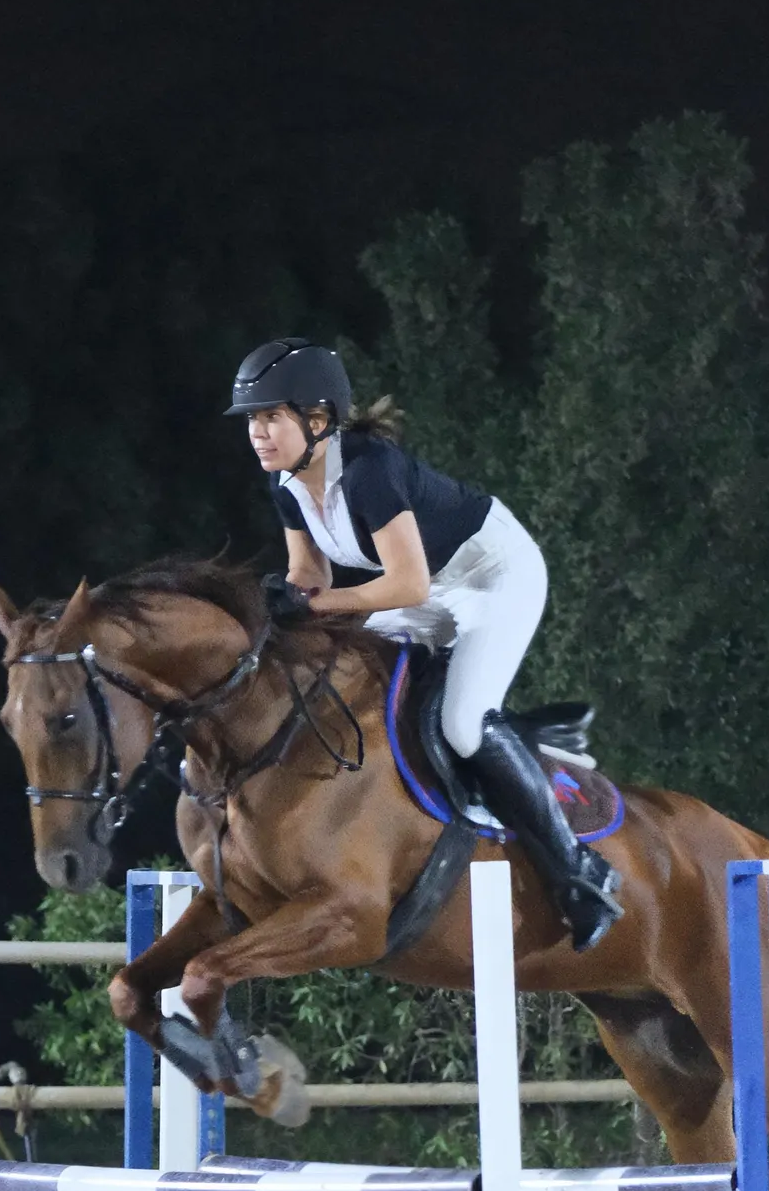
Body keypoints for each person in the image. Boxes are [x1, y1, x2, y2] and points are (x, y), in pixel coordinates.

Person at [226, 336, 621, 950]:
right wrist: (288, 599)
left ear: (319, 419)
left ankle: (579, 873)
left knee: (464, 724)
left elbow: (404, 583)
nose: (258, 432)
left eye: (271, 416)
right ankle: (506, 745)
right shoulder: (286, 483)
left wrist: (320, 606)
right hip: (433, 590)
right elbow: (311, 577)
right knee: (334, 661)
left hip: (498, 576)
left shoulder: (368, 471)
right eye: (253, 419)